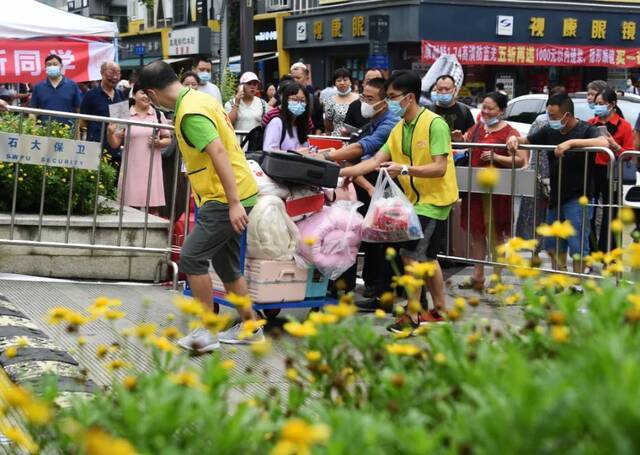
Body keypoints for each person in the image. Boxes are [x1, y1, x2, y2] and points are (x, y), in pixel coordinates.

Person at [137, 61, 262, 349]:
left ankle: (206, 332)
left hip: (225, 197)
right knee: (227, 266)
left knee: (192, 258)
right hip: (234, 192)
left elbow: (217, 151)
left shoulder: (189, 113)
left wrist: (232, 203)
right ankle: (251, 327)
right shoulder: (200, 99)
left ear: (152, 94)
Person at [340, 70, 459, 332]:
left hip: (435, 200)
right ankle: (440, 310)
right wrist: (341, 172)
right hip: (415, 201)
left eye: (393, 97)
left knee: (411, 256)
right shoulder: (399, 128)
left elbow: (439, 167)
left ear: (410, 97)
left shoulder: (435, 124)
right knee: (427, 258)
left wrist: (404, 170)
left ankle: (412, 316)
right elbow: (373, 161)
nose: (389, 102)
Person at [310, 77, 399, 307]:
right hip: (367, 185)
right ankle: (365, 288)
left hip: (383, 186)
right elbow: (353, 147)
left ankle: (385, 295)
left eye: (370, 99)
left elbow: (363, 149)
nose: (364, 103)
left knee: (384, 243)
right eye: (363, 97)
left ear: (385, 101)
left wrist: (328, 156)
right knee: (364, 238)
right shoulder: (372, 122)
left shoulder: (390, 125)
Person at [507, 93, 608, 273]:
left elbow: (603, 142)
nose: (550, 119)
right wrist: (514, 139)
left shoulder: (586, 129)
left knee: (577, 243)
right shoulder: (549, 130)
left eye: (553, 116)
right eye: (548, 115)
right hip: (555, 196)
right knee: (553, 243)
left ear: (566, 116)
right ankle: (558, 279)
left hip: (579, 196)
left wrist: (571, 143)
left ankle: (577, 283)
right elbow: (527, 140)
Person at [458, 92, 527, 291]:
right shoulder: (478, 128)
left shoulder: (510, 132)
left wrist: (498, 158)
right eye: (484, 107)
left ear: (502, 111)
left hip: (497, 192)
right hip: (475, 190)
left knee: (496, 236)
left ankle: (496, 277)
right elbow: (466, 145)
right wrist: (459, 139)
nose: (486, 112)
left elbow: (521, 160)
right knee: (476, 234)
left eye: (491, 108)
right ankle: (477, 276)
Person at [106, 83, 171, 215]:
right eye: (142, 93)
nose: (146, 96)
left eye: (149, 94)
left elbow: (168, 139)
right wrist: (110, 133)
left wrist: (159, 142)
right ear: (134, 95)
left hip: (153, 169)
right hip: (131, 168)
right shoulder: (122, 112)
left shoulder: (158, 114)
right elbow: (114, 144)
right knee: (129, 209)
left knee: (153, 209)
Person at [587, 89, 634, 252]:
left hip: (612, 172)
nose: (598, 107)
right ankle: (590, 252)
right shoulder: (590, 123)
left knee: (611, 212)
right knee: (588, 212)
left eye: (601, 104)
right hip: (592, 171)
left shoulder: (624, 126)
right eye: (596, 104)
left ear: (613, 105)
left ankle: (610, 253)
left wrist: (615, 147)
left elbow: (629, 154)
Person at [80, 61, 126, 167]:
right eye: (111, 72)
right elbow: (83, 122)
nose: (115, 76)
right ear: (102, 73)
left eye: (118, 73)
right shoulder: (91, 95)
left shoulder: (120, 95)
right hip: (95, 148)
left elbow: (121, 126)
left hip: (115, 150)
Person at [30, 54, 82, 126]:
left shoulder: (72, 85)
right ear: (45, 67)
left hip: (68, 131)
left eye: (55, 64)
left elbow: (78, 110)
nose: (52, 67)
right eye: (49, 65)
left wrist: (77, 131)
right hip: (45, 131)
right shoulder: (38, 87)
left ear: (61, 66)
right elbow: (32, 111)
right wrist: (32, 130)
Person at [262, 82, 309, 152]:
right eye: (294, 100)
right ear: (285, 101)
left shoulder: (301, 124)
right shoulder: (277, 123)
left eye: (302, 101)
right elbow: (269, 151)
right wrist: (296, 153)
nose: (299, 104)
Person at [430, 75, 475, 141]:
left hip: (457, 150)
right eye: (440, 89)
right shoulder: (428, 110)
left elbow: (472, 134)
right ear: (436, 90)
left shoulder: (464, 111)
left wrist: (462, 139)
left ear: (455, 89)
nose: (443, 92)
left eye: (447, 89)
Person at [324, 68, 359, 136]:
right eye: (339, 80)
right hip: (337, 139)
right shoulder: (330, 101)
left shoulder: (359, 98)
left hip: (356, 139)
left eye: (345, 80)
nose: (342, 83)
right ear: (335, 83)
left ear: (350, 82)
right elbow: (328, 126)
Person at [290, 62, 323, 133]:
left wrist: (316, 139)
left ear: (307, 78)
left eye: (298, 78)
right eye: (293, 78)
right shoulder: (285, 98)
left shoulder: (313, 100)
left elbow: (319, 125)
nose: (295, 80)